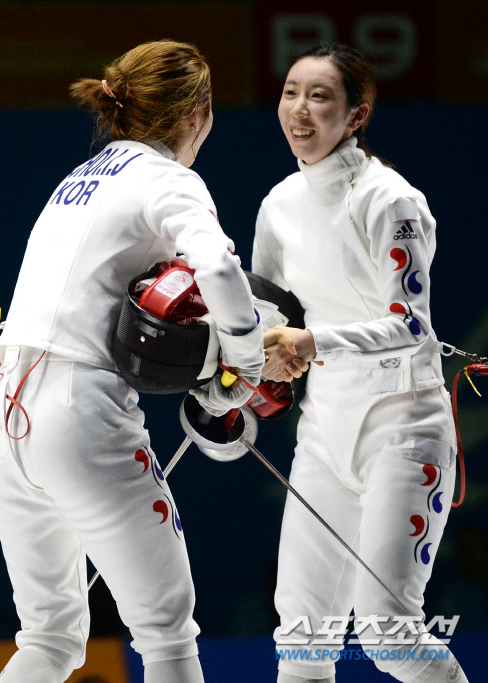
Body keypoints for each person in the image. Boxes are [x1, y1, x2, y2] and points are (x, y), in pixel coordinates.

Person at [0, 40, 263, 683]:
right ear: (196, 114)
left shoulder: (81, 177)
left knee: (49, 640)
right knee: (167, 635)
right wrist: (246, 366)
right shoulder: (167, 177)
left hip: (5, 420)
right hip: (80, 419)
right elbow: (218, 268)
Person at [254, 44, 468, 683]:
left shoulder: (390, 199)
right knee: (302, 641)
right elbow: (266, 317)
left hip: (403, 427)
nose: (300, 109)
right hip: (325, 432)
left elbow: (411, 325)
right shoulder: (279, 204)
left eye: (319, 96)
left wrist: (311, 343)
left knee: (390, 636)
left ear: (356, 115)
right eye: (291, 92)